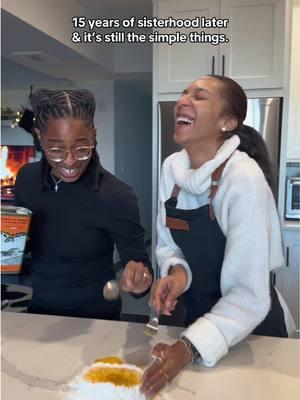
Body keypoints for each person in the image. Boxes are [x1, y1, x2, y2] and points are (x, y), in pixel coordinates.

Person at [140, 75, 295, 398]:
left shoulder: (243, 177)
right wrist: (177, 275)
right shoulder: (172, 169)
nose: (184, 99)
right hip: (198, 322)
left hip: (251, 332)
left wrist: (189, 347)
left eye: (199, 96)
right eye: (184, 92)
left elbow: (249, 296)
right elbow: (168, 244)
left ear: (227, 121)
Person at [14, 89, 153, 320]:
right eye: (56, 149)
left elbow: (139, 263)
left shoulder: (116, 195)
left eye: (81, 148)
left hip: (98, 319)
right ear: (40, 137)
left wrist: (140, 278)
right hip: (39, 313)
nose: (69, 161)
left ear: (93, 135)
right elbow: (18, 248)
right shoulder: (27, 179)